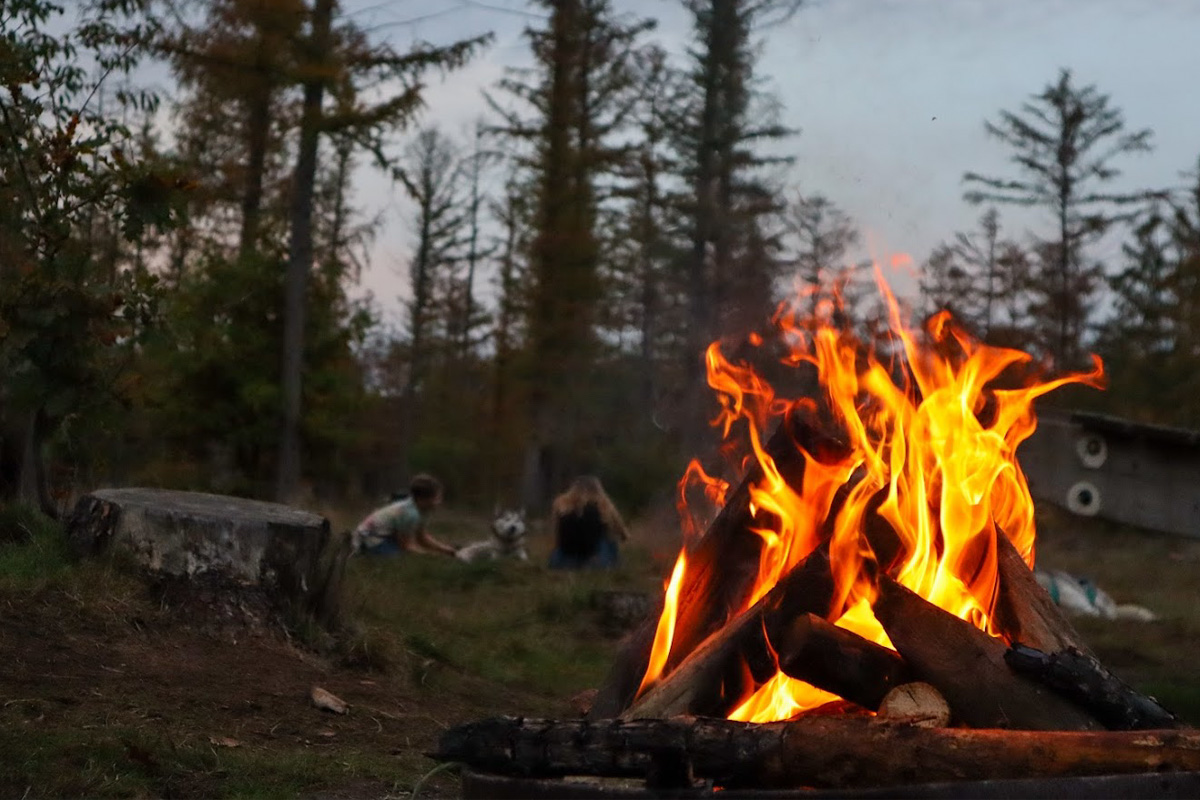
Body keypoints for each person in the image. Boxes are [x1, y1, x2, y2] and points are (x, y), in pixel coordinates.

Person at [352, 474, 457, 557]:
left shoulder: (422, 510)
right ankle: (360, 552)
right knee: (400, 557)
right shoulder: (410, 514)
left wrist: (447, 551)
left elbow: (421, 537)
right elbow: (406, 546)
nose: (440, 501)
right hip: (370, 538)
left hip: (383, 535)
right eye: (437, 498)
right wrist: (432, 556)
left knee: (406, 553)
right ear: (423, 500)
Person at [548, 475, 630, 569]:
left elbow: (556, 532)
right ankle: (613, 562)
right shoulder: (603, 505)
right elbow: (623, 534)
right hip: (596, 561)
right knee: (610, 541)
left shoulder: (561, 505)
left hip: (563, 561)